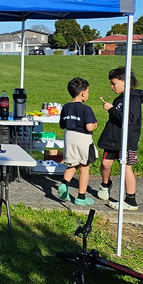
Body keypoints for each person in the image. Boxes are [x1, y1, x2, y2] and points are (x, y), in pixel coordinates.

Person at [97, 67, 143, 210]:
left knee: (126, 167)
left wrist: (111, 109)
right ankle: (105, 184)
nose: (112, 87)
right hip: (112, 139)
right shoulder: (120, 99)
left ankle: (130, 200)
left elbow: (128, 119)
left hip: (127, 140)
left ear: (125, 81)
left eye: (114, 83)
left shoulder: (133, 99)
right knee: (105, 163)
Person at [57, 77, 98, 205]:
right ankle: (81, 197)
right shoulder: (86, 109)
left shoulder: (66, 107)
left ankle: (64, 183)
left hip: (69, 138)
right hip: (83, 140)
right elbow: (89, 127)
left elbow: (62, 125)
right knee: (84, 167)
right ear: (83, 93)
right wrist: (95, 125)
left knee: (72, 164)